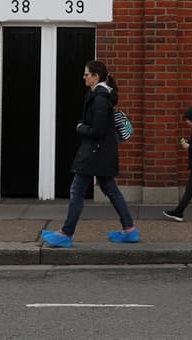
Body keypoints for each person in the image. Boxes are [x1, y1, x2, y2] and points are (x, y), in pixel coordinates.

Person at [40, 60, 140, 247]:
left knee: (77, 191)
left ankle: (66, 233)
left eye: (87, 74)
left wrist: (80, 127)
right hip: (100, 153)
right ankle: (129, 229)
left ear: (96, 76)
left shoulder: (100, 99)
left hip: (94, 153)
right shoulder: (99, 96)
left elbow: (98, 131)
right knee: (111, 190)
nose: (84, 77)